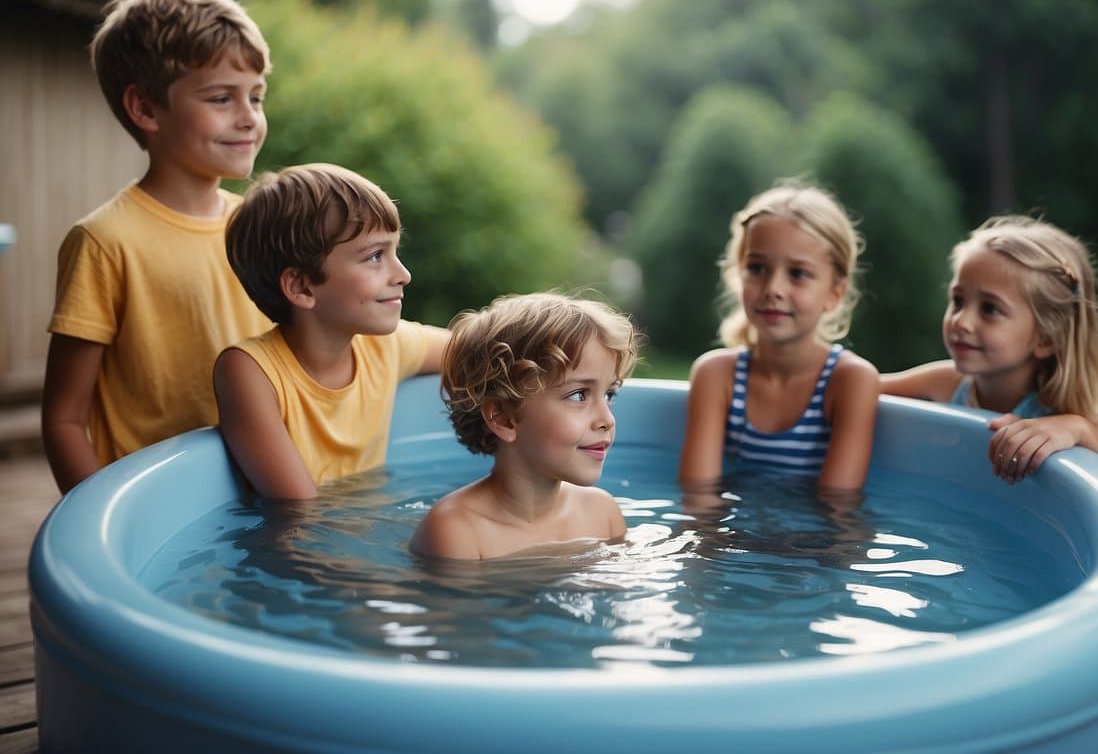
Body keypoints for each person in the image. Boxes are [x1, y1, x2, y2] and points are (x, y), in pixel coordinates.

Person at [42, 0, 273, 493]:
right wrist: (103, 529)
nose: (249, 118)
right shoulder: (105, 241)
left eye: (256, 97)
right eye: (221, 98)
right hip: (156, 504)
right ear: (145, 109)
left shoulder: (259, 229)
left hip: (257, 492)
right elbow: (63, 420)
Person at [215, 163, 449, 499]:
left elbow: (477, 350)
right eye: (375, 256)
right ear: (302, 287)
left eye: (395, 251)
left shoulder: (385, 347)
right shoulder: (251, 372)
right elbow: (300, 514)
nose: (403, 274)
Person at [678, 180, 880, 493]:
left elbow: (838, 511)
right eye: (757, 268)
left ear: (834, 294)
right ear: (738, 275)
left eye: (798, 273)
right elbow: (697, 500)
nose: (773, 289)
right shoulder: (716, 376)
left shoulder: (850, 381)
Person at [880, 215, 1098, 482]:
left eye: (990, 308)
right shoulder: (947, 383)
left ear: (1046, 339)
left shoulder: (1057, 417)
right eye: (958, 300)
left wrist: (1079, 429)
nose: (962, 321)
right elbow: (861, 387)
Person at [409, 293, 638, 560]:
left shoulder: (603, 513)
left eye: (609, 394)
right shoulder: (456, 531)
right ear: (503, 418)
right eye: (579, 395)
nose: (607, 420)